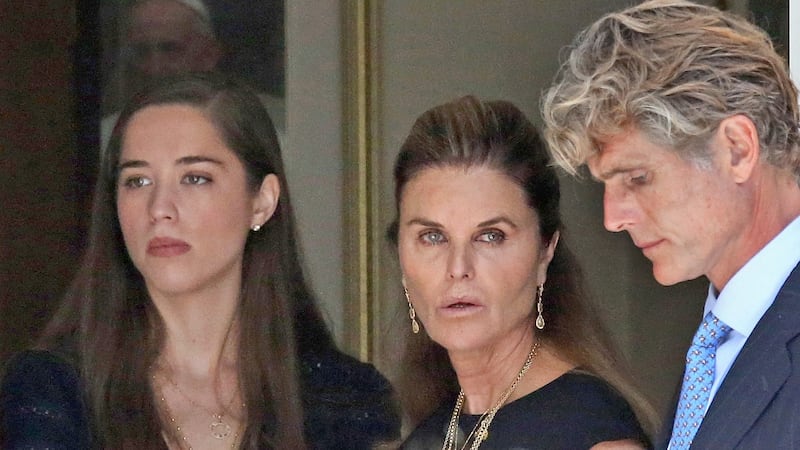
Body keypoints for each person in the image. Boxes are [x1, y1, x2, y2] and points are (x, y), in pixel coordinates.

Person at [0, 72, 399, 449]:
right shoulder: (51, 390)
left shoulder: (346, 399)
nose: (160, 208)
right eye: (137, 181)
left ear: (261, 202)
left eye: (195, 178)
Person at [541, 1, 800, 448]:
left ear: (737, 149)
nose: (613, 218)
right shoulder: (718, 338)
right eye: (606, 183)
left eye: (638, 178)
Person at [387, 95, 656, 449]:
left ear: (545, 251)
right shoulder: (430, 433)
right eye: (432, 237)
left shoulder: (594, 432)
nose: (458, 268)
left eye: (490, 236)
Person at [101, 0, 285, 150]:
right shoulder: (108, 137)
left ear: (208, 55)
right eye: (142, 52)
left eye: (170, 49)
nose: (155, 67)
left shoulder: (262, 134)